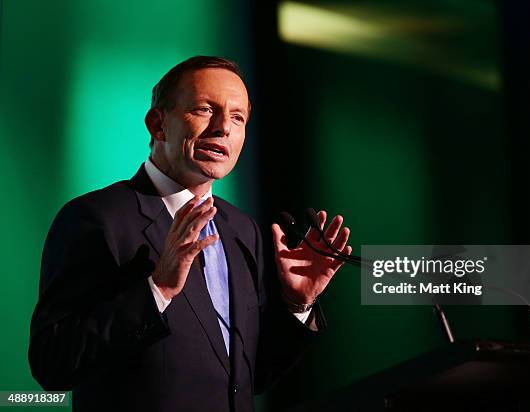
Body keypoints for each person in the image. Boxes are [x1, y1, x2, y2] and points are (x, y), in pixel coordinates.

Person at [28, 56, 352, 412]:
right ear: (158, 124)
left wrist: (296, 304)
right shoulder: (95, 218)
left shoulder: (242, 230)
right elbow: (52, 364)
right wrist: (158, 289)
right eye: (204, 109)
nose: (223, 128)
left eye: (237, 117)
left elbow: (247, 378)